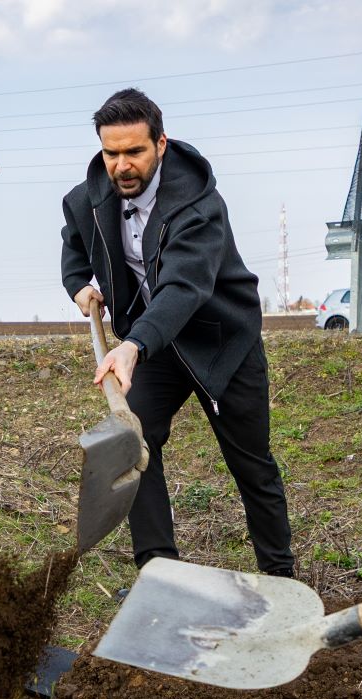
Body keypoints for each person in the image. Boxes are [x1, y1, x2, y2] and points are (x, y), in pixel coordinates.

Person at [60, 88, 296, 581]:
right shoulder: (87, 199)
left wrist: (133, 345)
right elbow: (75, 249)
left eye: (134, 152)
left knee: (251, 464)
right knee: (135, 440)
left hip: (220, 342)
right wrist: (79, 286)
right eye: (111, 153)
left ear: (161, 144)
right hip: (153, 346)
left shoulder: (199, 204)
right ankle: (159, 574)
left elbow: (183, 287)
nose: (122, 165)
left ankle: (279, 577)